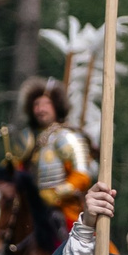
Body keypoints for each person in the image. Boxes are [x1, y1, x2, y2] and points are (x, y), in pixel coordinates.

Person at [22, 77, 96, 237]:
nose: (40, 109)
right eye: (36, 104)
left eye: (46, 104)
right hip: (33, 209)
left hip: (64, 209)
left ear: (56, 106)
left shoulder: (66, 137)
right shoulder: (31, 142)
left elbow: (82, 175)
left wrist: (56, 193)